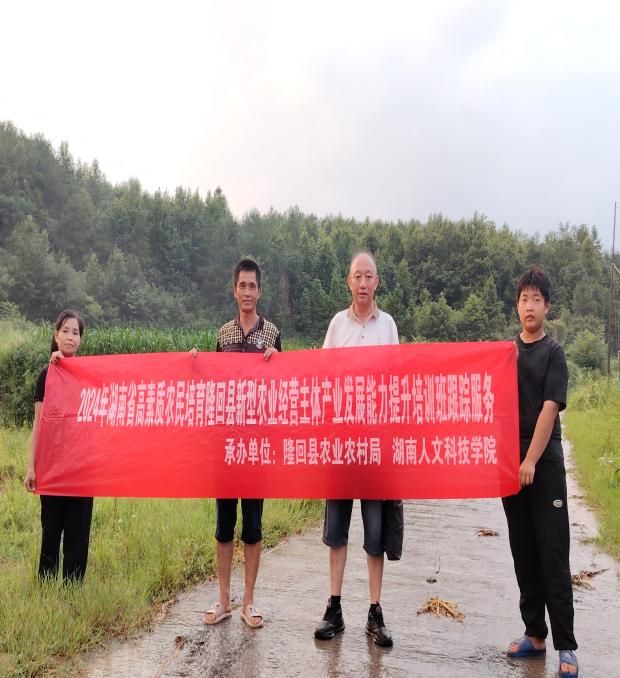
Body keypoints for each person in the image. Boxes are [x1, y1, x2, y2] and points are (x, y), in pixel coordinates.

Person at [314, 251, 399, 648]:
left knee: (375, 533)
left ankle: (375, 611)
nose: (363, 283)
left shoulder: (388, 326)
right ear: (348, 282)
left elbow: (396, 381)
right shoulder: (337, 324)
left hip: (376, 444)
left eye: (369, 276)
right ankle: (334, 607)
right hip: (341, 444)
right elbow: (321, 376)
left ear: (376, 282)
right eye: (357, 276)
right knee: (336, 531)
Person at [503, 266, 579, 678]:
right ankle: (534, 634)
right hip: (510, 465)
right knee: (523, 550)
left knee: (552, 551)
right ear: (516, 306)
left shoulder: (554, 353)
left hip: (543, 463)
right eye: (523, 299)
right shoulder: (505, 354)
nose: (529, 306)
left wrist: (530, 460)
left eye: (536, 299)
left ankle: (566, 645)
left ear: (547, 306)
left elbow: (550, 409)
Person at [199, 259, 281, 629]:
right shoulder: (223, 335)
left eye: (252, 286)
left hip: (257, 446)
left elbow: (283, 387)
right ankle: (223, 599)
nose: (247, 292)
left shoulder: (272, 334)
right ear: (234, 291)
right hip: (227, 444)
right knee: (223, 525)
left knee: (253, 526)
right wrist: (194, 365)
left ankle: (248, 601)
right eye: (241, 286)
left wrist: (277, 363)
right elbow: (214, 384)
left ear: (259, 292)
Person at [24, 309, 94, 583]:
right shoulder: (46, 375)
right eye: (65, 331)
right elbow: (38, 424)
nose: (70, 337)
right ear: (55, 336)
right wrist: (32, 467)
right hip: (52, 466)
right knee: (51, 529)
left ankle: (72, 587)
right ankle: (47, 584)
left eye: (75, 332)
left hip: (82, 468)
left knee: (78, 532)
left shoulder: (88, 375)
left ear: (81, 340)